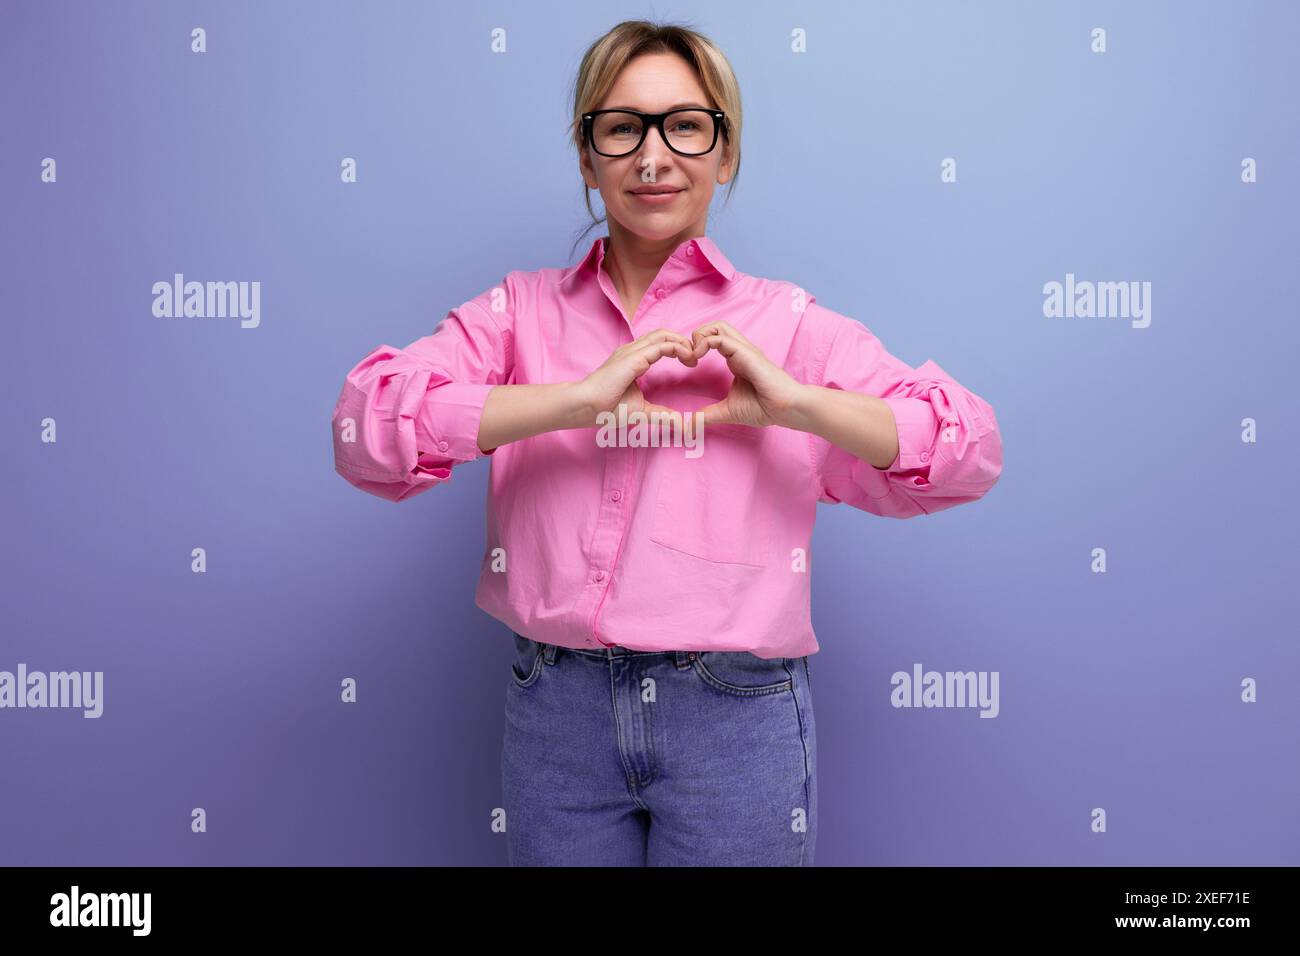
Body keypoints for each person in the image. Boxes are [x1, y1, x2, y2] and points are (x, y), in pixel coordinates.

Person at [330, 19, 1003, 866]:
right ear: (587, 156)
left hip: (735, 713)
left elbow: (969, 448)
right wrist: (568, 402)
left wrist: (797, 406)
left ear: (725, 152)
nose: (653, 157)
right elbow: (364, 429)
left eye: (686, 125)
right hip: (555, 709)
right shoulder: (518, 312)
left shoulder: (784, 324)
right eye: (622, 128)